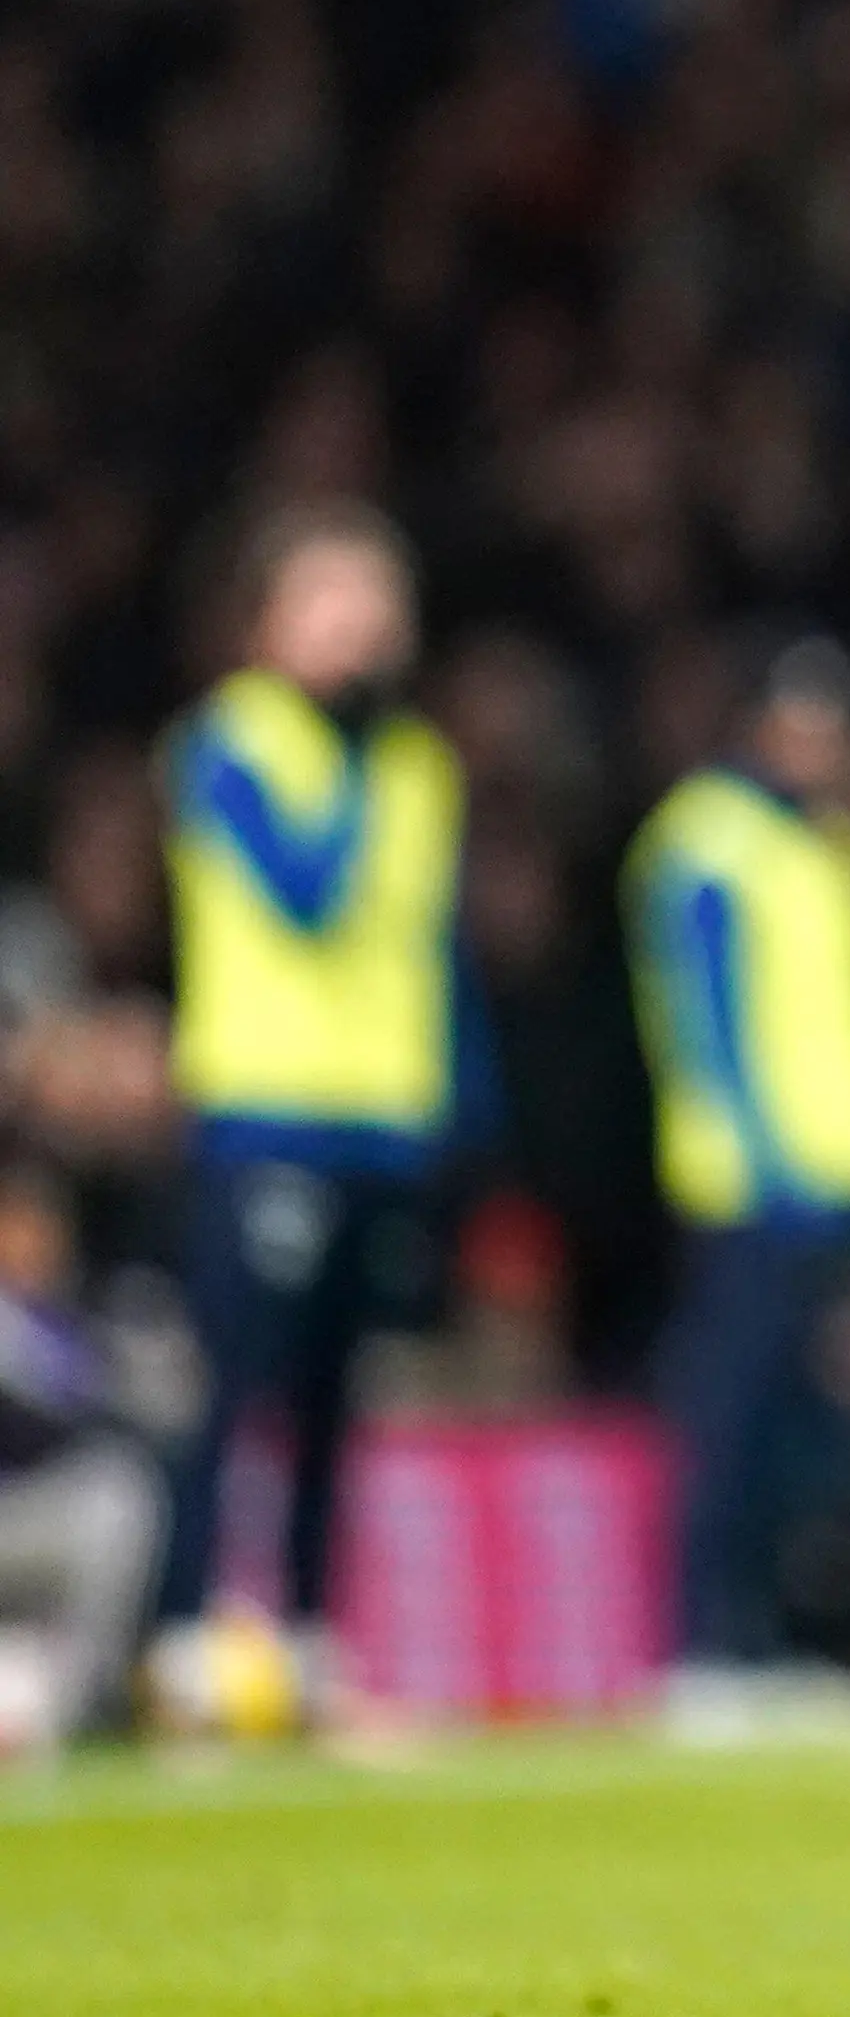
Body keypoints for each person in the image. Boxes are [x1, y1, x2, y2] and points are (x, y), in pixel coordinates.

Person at [145, 503, 487, 1740]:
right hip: (267, 1108)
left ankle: (303, 1635)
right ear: (267, 623)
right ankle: (184, 1638)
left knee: (344, 1394)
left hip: (384, 1119)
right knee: (233, 1385)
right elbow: (303, 893)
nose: (358, 626)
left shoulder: (421, 764)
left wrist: (459, 1108)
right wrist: (346, 753)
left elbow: (431, 952)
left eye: (372, 599)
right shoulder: (231, 743)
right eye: (328, 601)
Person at [624, 638, 850, 1727]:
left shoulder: (820, 839)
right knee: (735, 1414)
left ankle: (781, 1643)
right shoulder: (709, 843)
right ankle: (705, 1647)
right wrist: (760, 1154)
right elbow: (708, 1023)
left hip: (845, 1173)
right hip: (756, 1184)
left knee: (816, 1430)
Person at [0, 1155, 163, 1756]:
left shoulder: (67, 1318)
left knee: (118, 1497)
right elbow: (39, 1421)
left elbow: (148, 1413)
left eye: (43, 1229)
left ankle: (82, 1703)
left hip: (33, 1520)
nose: (32, 1244)